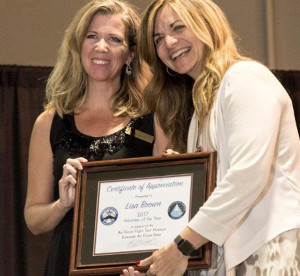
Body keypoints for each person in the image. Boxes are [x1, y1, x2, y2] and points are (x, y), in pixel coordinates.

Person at [121, 0, 300, 275]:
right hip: (228, 257)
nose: (169, 42)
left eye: (178, 27)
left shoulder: (245, 78)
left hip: (265, 251)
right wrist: (189, 178)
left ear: (207, 25)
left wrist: (181, 247)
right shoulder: (201, 108)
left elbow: (248, 174)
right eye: (158, 39)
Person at [24, 0, 167, 275]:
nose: (101, 47)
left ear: (130, 54)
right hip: (65, 265)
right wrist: (62, 205)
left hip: (132, 269)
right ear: (79, 46)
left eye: (114, 39)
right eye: (92, 36)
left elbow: (167, 208)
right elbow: (34, 219)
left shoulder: (153, 120)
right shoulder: (49, 123)